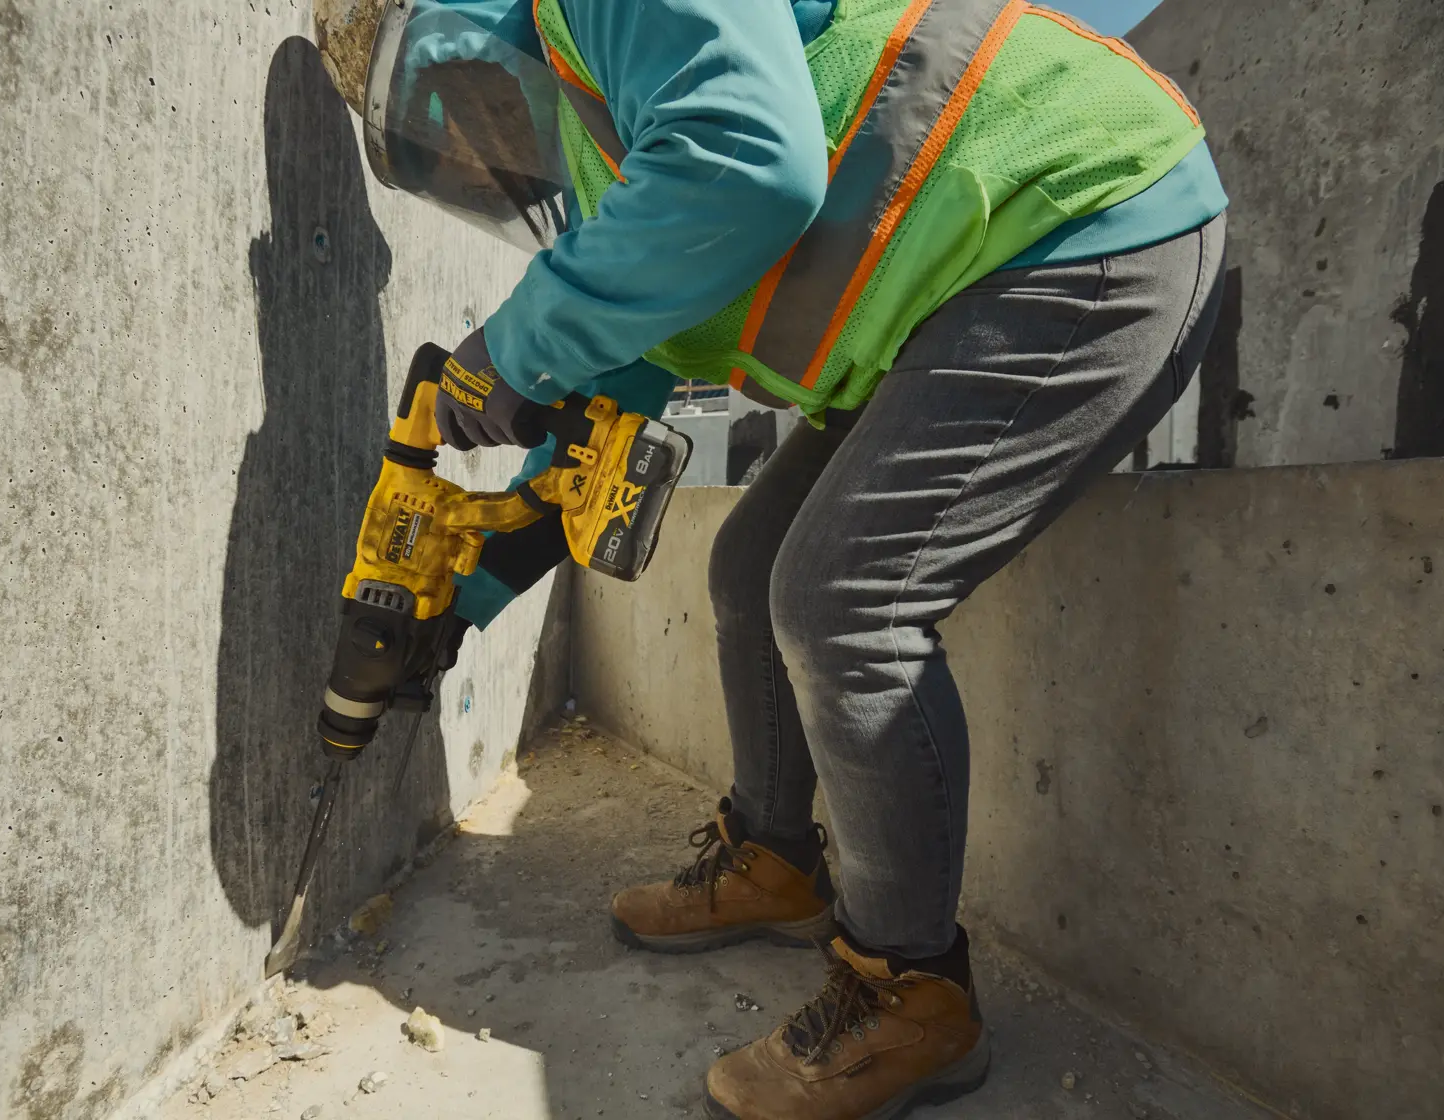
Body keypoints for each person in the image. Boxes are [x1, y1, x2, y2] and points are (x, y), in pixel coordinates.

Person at [315, 0, 1227, 1116]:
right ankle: (777, 860)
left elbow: (751, 164)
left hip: (1083, 220)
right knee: (750, 568)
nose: (479, 146)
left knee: (846, 596)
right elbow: (584, 443)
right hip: (953, 292)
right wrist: (460, 603)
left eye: (451, 100)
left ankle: (914, 992)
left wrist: (512, 344)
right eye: (443, 152)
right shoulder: (621, 171)